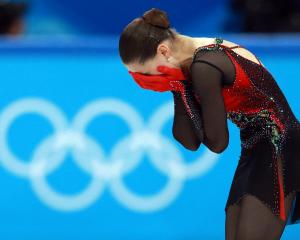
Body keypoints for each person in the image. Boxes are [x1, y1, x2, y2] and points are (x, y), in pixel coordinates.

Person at [118, 8, 300, 240]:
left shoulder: (205, 65)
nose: (147, 81)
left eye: (145, 74)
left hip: (281, 146)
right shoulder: (189, 62)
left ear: (163, 51)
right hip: (256, 150)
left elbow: (217, 142)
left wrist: (180, 85)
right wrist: (178, 86)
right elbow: (189, 141)